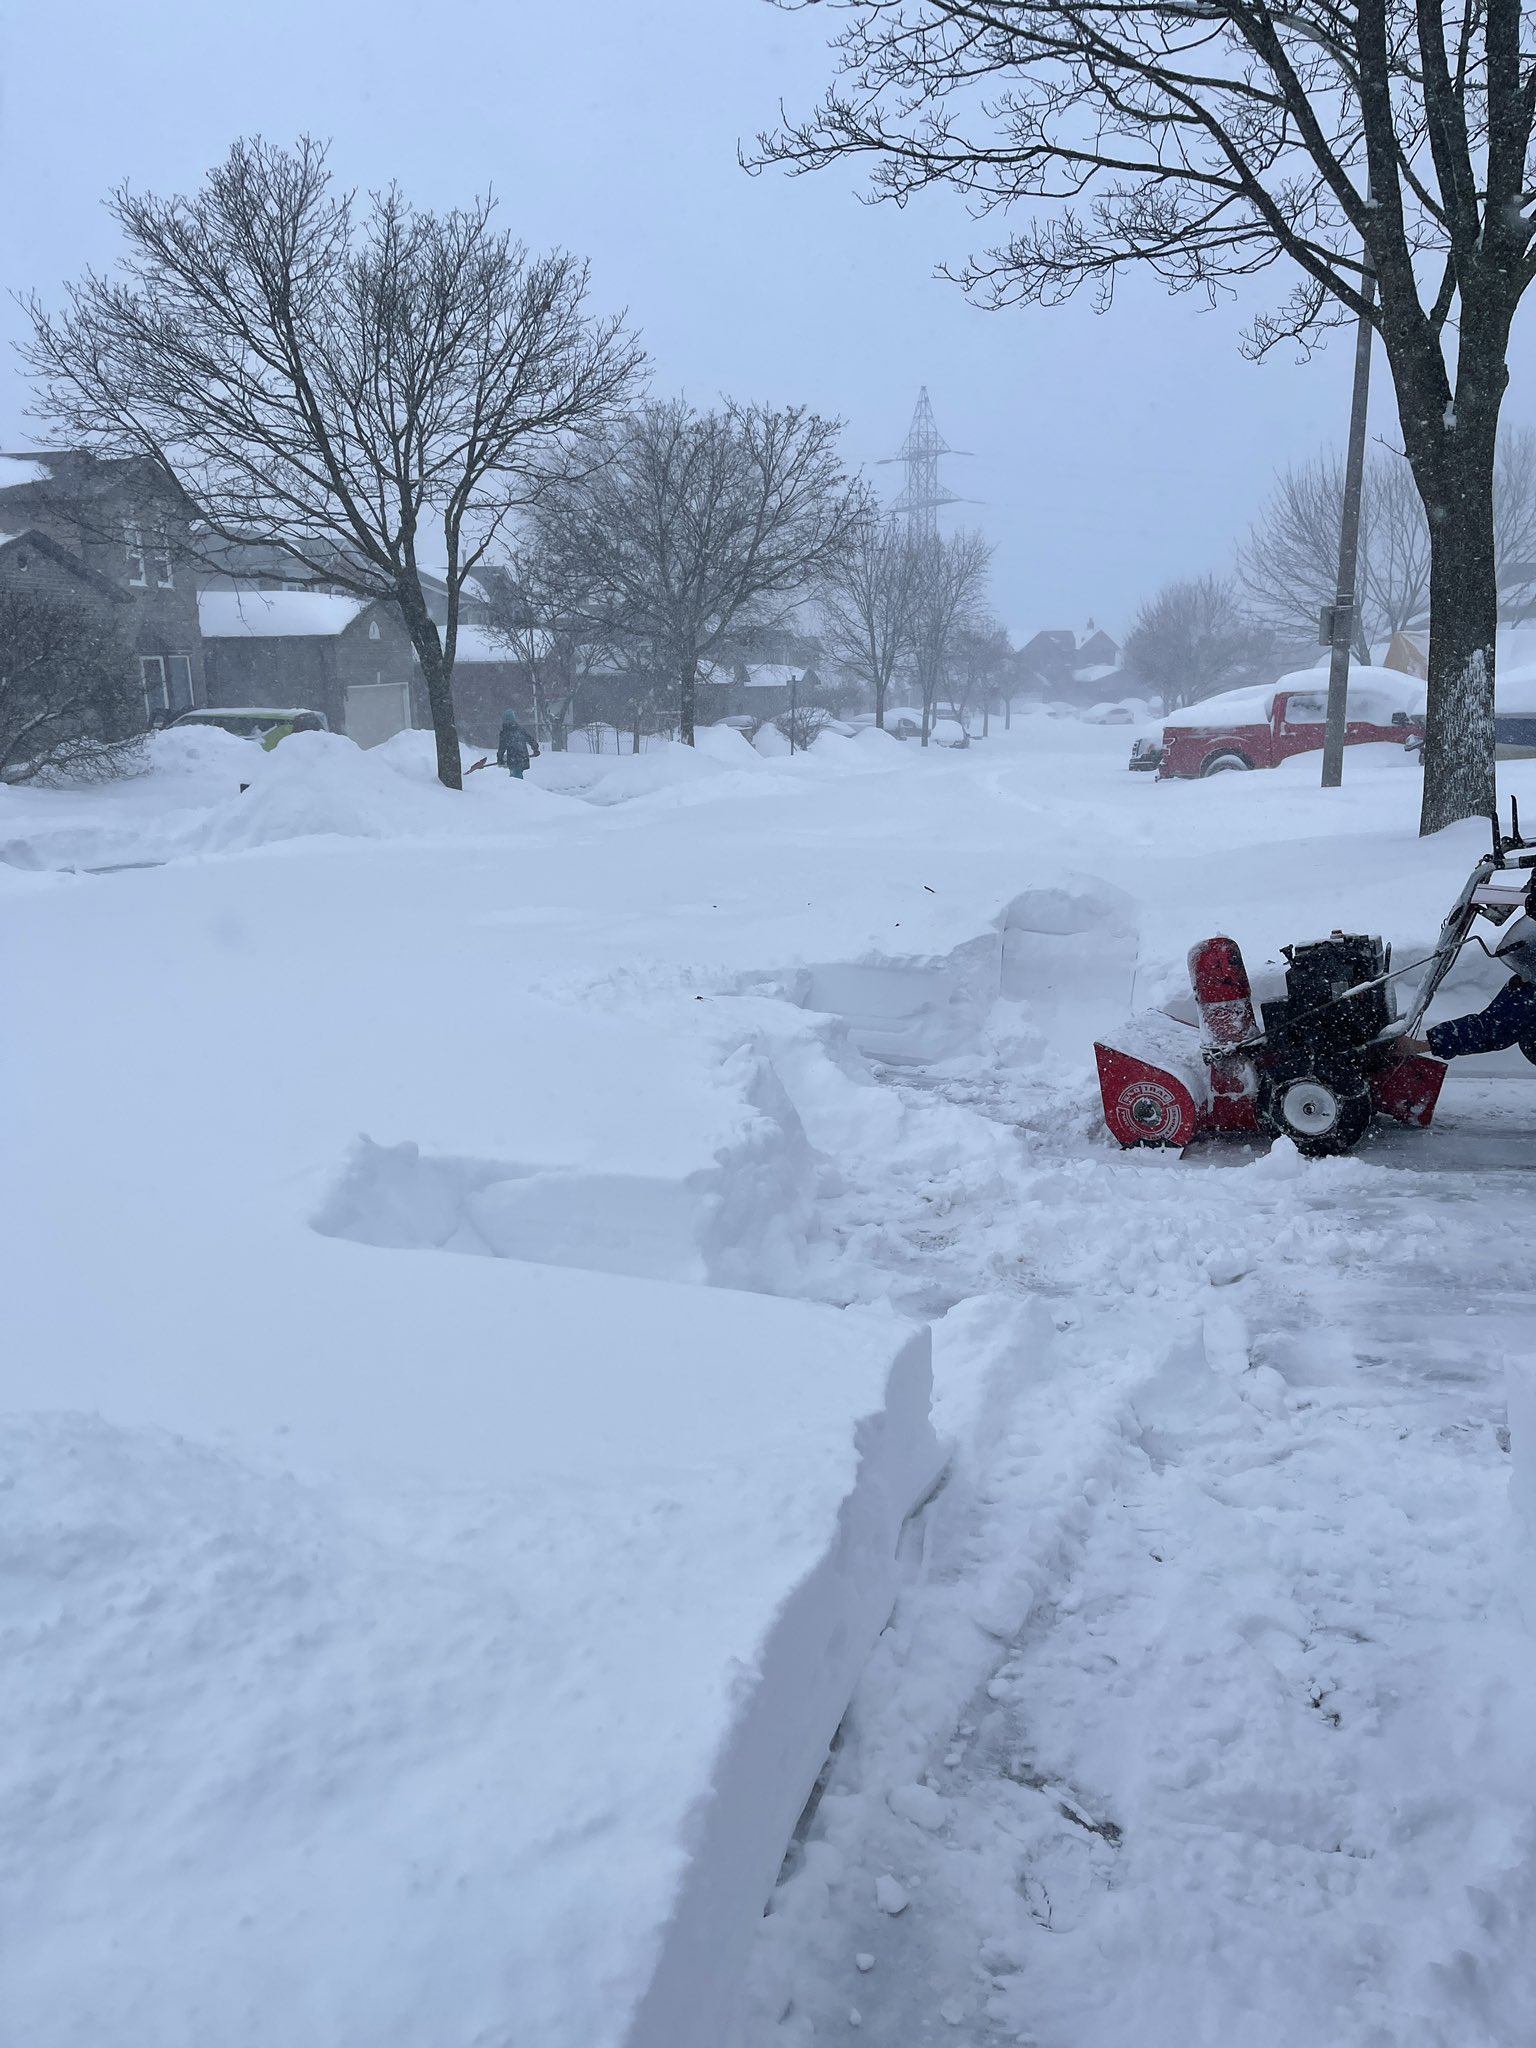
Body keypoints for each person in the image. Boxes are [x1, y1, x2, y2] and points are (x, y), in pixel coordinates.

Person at [1401, 914, 1536, 1063]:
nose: (1524, 978)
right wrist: (1422, 1045)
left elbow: (1493, 1029)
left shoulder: (1529, 995)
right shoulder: (1526, 989)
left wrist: (1422, 1045)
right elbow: (1492, 1026)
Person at [496, 709, 540, 779]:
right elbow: (530, 739)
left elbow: (502, 748)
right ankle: (521, 788)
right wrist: (535, 749)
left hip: (513, 759)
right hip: (523, 757)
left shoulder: (505, 732)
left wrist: (500, 759)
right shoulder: (520, 729)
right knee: (518, 774)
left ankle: (519, 789)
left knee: (515, 777)